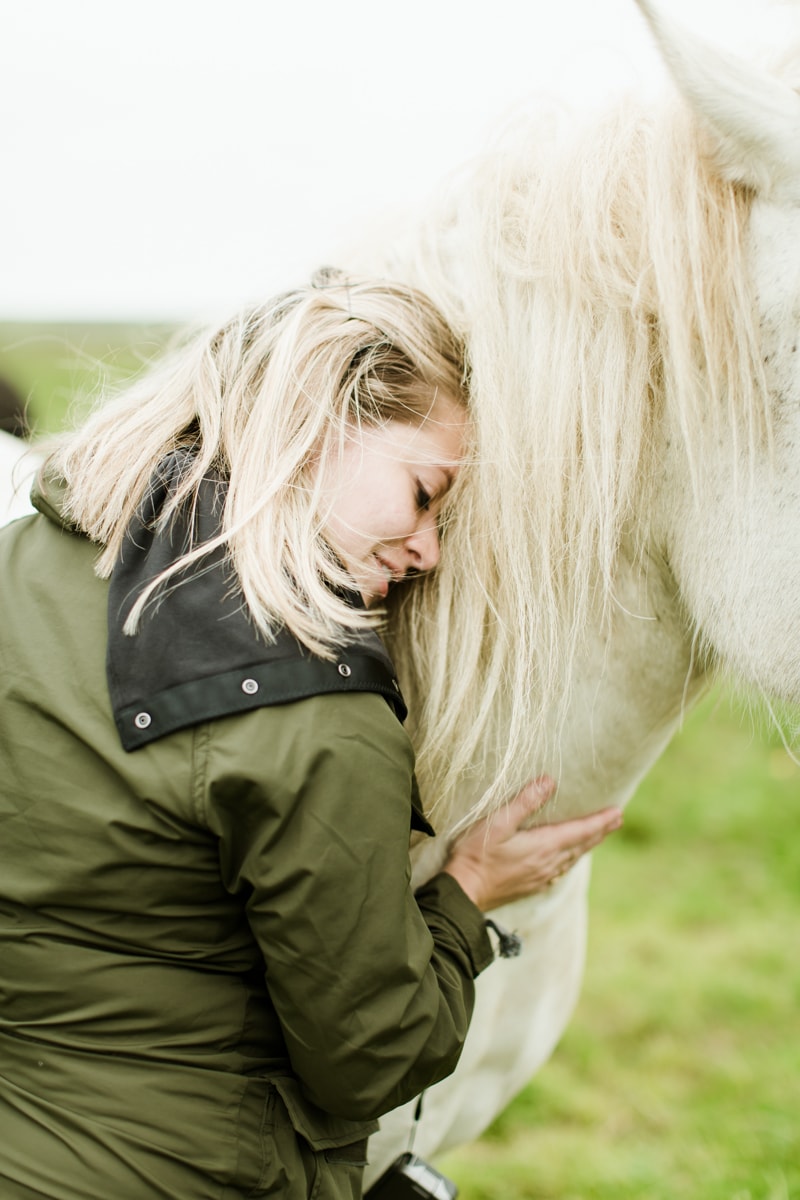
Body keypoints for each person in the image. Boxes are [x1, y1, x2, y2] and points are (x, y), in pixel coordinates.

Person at [0, 272, 622, 1200]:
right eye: (422, 494)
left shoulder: (19, 567)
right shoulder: (312, 713)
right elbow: (372, 1055)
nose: (429, 551)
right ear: (318, 422)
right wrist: (468, 893)